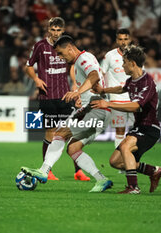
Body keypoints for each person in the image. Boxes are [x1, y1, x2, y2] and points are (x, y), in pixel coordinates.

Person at [21, 35, 113, 192]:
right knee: (73, 149)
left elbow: (94, 76)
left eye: (62, 54)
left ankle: (43, 171)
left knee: (60, 134)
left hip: (96, 109)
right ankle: (101, 179)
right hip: (91, 110)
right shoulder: (82, 60)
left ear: (70, 48)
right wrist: (81, 97)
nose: (62, 58)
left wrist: (77, 92)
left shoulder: (83, 58)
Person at [91, 45, 161, 194]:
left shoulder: (147, 82)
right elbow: (122, 88)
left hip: (150, 128)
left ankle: (133, 187)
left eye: (124, 62)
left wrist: (108, 104)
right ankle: (153, 171)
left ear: (132, 63)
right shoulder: (132, 80)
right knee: (115, 162)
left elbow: (136, 106)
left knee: (125, 147)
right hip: (138, 127)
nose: (122, 65)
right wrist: (104, 90)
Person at [25, 17, 90, 181]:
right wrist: (36, 80)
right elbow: (28, 66)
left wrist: (75, 85)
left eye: (58, 30)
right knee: (50, 133)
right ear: (48, 30)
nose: (55, 33)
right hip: (47, 96)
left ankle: (78, 171)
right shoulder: (40, 46)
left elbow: (74, 65)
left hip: (65, 96)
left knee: (71, 132)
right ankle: (48, 170)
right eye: (53, 30)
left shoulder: (66, 46)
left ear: (63, 30)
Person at [101, 28, 134, 148]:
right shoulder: (110, 55)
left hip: (133, 100)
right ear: (116, 40)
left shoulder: (136, 54)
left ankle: (133, 159)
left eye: (126, 39)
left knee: (136, 130)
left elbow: (141, 74)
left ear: (130, 39)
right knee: (120, 131)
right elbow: (101, 73)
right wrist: (102, 91)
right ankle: (119, 163)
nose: (123, 42)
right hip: (116, 99)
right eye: (120, 39)